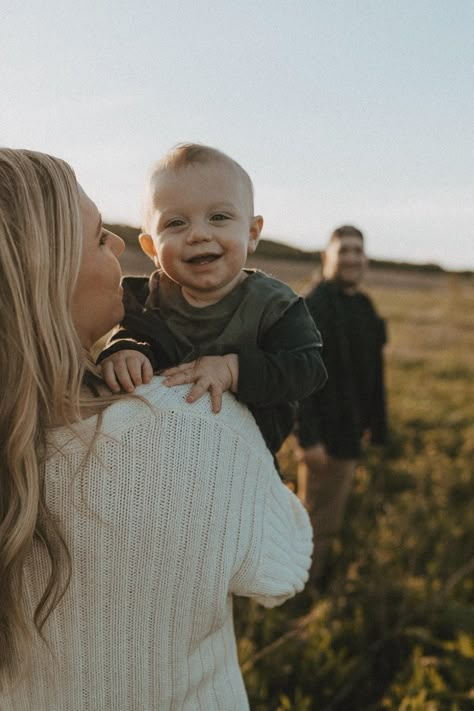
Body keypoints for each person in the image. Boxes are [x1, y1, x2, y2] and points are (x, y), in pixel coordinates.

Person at [0, 148, 313, 710]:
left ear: (252, 231)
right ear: (43, 278)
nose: (118, 246)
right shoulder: (195, 426)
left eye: (220, 218)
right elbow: (281, 568)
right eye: (100, 239)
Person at [98, 143, 327, 457]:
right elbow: (133, 335)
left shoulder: (275, 306)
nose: (198, 234)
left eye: (219, 217)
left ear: (252, 232)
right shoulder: (145, 298)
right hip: (155, 450)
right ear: (152, 248)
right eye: (176, 223)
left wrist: (234, 370)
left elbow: (307, 370)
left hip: (246, 456)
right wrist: (124, 351)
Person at [296, 225, 388, 582]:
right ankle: (297, 602)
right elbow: (300, 381)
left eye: (357, 250)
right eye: (343, 250)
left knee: (328, 522)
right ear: (326, 258)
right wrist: (309, 439)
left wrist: (374, 427)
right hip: (323, 440)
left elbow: (371, 377)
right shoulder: (313, 305)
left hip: (351, 434)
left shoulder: (364, 307)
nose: (351, 257)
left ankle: (310, 589)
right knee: (314, 525)